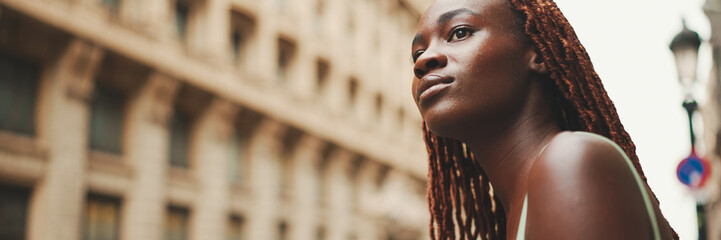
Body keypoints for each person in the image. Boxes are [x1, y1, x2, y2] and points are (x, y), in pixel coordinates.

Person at [410, 0, 678, 239]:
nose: (424, 61)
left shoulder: (571, 161)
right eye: (418, 53)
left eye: (459, 33)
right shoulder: (527, 201)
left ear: (538, 52)